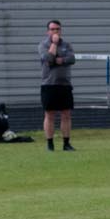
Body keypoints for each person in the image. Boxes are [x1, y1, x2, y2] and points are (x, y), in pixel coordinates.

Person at [38, 18, 76, 152]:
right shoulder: (43, 45)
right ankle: (50, 144)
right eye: (52, 29)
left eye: (57, 29)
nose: (55, 31)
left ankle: (66, 143)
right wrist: (54, 44)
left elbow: (72, 59)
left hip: (64, 84)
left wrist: (60, 60)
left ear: (61, 30)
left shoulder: (67, 45)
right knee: (49, 115)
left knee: (66, 114)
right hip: (49, 84)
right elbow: (48, 59)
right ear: (47, 31)